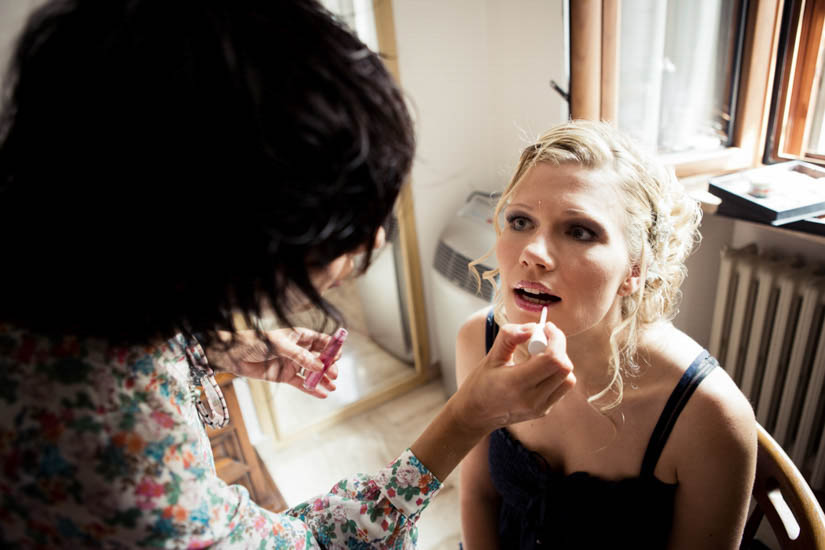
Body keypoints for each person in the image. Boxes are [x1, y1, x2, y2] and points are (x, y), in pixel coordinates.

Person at [0, 1, 577, 547]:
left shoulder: (68, 259)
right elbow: (317, 546)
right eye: (340, 219)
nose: (373, 238)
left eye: (580, 230)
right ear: (212, 231)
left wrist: (213, 347)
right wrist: (466, 418)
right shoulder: (118, 463)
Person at [457, 120, 757, 550]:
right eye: (520, 220)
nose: (533, 254)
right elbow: (478, 495)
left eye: (580, 231)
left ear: (635, 269)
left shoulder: (707, 416)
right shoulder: (479, 342)